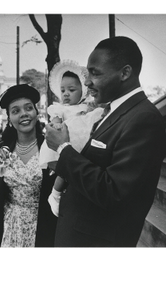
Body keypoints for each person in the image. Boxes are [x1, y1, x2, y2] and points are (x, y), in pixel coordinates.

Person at [45, 36, 166, 247]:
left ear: (125, 73)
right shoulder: (110, 112)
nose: (88, 81)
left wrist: (63, 148)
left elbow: (114, 192)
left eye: (95, 73)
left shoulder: (143, 118)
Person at [0, 84, 57, 247]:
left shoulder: (51, 149)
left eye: (28, 108)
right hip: (8, 228)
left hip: (44, 228)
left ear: (36, 112)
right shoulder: (0, 152)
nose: (23, 114)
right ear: (10, 120)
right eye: (15, 111)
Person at [39, 60, 104, 216]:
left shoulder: (88, 108)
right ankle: (55, 194)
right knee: (64, 171)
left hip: (82, 144)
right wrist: (55, 125)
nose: (66, 94)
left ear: (83, 91)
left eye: (71, 89)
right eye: (63, 90)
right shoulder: (60, 109)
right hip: (66, 142)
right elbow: (55, 123)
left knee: (78, 168)